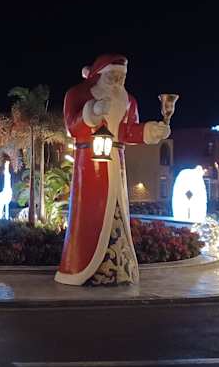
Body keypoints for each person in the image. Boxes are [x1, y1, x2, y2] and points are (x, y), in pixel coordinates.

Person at [55, 55, 171, 286]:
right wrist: (92, 111)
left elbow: (128, 132)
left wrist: (151, 131)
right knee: (90, 211)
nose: (118, 80)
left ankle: (119, 267)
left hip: (117, 161)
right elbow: (72, 126)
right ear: (100, 74)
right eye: (113, 75)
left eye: (122, 76)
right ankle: (82, 268)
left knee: (118, 208)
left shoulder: (129, 100)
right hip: (89, 162)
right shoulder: (77, 94)